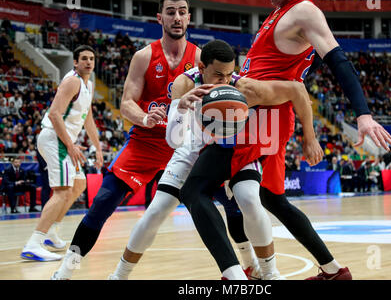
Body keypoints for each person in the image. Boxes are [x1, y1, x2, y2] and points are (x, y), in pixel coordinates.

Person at [179, 0, 391, 281]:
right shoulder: (278, 13)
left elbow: (337, 60)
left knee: (195, 190)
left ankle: (242, 275)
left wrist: (363, 114)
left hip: (261, 118)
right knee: (272, 199)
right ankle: (334, 271)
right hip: (262, 115)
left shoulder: (304, 11)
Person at [108, 39, 311, 280]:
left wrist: (309, 136)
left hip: (232, 150)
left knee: (249, 200)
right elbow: (174, 141)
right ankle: (119, 276)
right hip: (192, 151)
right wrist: (181, 108)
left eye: (229, 74)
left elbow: (295, 90)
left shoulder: (243, 86)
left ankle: (269, 273)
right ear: (202, 67)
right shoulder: (184, 83)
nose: (224, 81)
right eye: (218, 74)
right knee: (157, 211)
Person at [51, 0, 201, 280]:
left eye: (182, 11)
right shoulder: (144, 56)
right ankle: (65, 272)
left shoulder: (200, 58)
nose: (177, 17)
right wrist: (145, 118)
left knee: (227, 199)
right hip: (145, 143)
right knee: (103, 204)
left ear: (189, 16)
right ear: (160, 17)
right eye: (170, 12)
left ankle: (249, 267)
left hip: (183, 146)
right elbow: (126, 104)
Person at [21, 45, 103, 262]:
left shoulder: (89, 85)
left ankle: (51, 233)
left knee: (78, 185)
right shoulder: (72, 80)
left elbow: (88, 119)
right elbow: (55, 114)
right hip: (54, 138)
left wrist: (99, 148)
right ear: (75, 62)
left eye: (91, 59)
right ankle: (34, 243)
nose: (88, 62)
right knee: (63, 191)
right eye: (84, 58)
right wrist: (70, 144)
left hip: (63, 140)